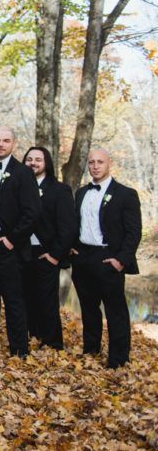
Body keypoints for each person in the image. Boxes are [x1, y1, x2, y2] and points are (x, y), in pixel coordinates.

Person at [70, 148, 141, 368]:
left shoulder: (125, 194)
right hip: (83, 257)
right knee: (89, 308)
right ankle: (91, 350)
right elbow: (75, 224)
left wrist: (121, 260)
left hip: (108, 257)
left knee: (115, 311)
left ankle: (118, 359)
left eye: (100, 162)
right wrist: (72, 248)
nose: (95, 166)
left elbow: (133, 232)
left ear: (110, 164)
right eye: (91, 162)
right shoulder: (81, 193)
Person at [0, 127, 40, 357]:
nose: (0, 144)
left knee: (13, 298)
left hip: (8, 242)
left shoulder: (23, 172)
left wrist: (12, 239)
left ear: (14, 144)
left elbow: (32, 212)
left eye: (5, 141)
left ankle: (19, 348)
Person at [22, 146, 76, 350]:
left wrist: (55, 255)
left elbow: (68, 227)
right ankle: (33, 337)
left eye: (38, 159)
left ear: (46, 164)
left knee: (47, 301)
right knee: (27, 298)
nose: (33, 163)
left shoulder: (59, 190)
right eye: (29, 159)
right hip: (24, 252)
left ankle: (52, 343)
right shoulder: (19, 187)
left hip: (47, 253)